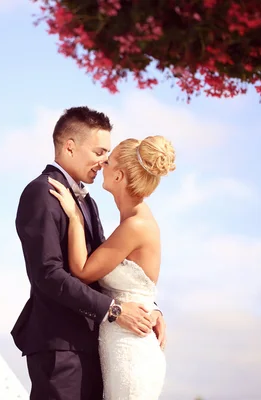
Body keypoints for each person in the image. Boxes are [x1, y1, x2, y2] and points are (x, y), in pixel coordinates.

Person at [10, 106, 166, 400]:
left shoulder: (88, 202)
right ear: (70, 146)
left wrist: (148, 307)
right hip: (61, 347)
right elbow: (48, 275)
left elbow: (107, 268)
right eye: (99, 152)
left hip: (94, 346)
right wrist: (114, 310)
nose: (104, 160)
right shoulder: (41, 194)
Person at [48, 135, 175, 399]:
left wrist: (74, 217)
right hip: (122, 344)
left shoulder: (135, 225)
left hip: (131, 353)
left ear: (118, 177)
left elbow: (82, 271)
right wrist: (154, 309)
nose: (103, 162)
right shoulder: (132, 220)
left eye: (110, 159)